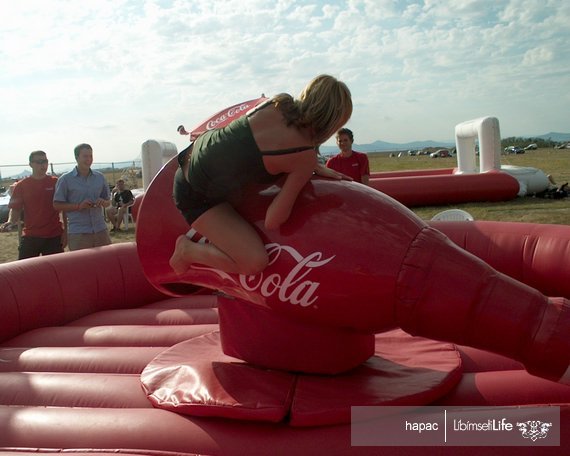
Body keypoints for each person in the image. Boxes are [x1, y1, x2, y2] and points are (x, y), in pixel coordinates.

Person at [170, 74, 353, 276]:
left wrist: (311, 164)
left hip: (193, 154)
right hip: (194, 193)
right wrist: (311, 181)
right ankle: (188, 251)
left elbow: (249, 146)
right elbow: (273, 220)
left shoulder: (278, 103)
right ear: (333, 123)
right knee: (253, 262)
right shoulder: (304, 158)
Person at [0, 151, 66, 259]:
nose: (43, 165)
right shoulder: (22, 185)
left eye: (45, 161)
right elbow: (15, 208)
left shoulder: (55, 182)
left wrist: (65, 232)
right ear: (30, 164)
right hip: (31, 235)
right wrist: (10, 221)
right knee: (24, 271)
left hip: (53, 235)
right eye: (39, 162)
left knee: (54, 272)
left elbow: (63, 208)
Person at [53, 143, 112, 250]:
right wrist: (79, 206)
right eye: (85, 156)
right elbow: (57, 205)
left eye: (91, 156)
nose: (89, 159)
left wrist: (103, 202)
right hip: (79, 232)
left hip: (100, 230)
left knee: (105, 264)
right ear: (76, 158)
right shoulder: (65, 180)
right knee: (81, 266)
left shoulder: (99, 177)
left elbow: (108, 201)